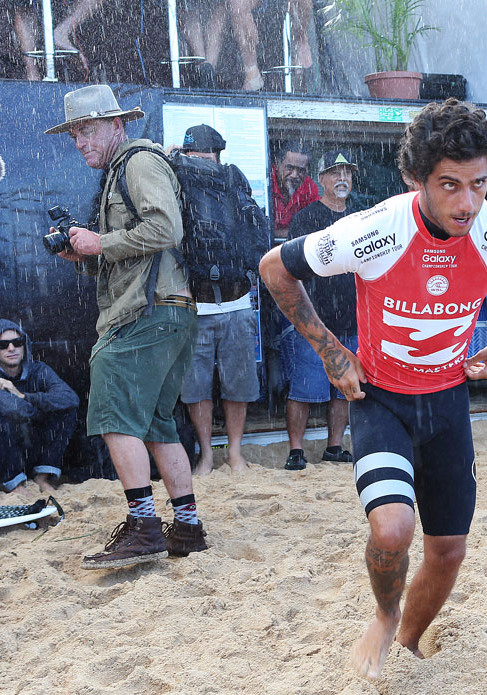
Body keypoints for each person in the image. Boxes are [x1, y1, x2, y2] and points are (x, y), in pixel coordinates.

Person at [258, 98, 487, 679]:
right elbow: (274, 267)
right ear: (417, 178)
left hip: (448, 404)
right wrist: (331, 351)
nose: (466, 203)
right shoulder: (375, 231)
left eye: (478, 184)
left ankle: (408, 642)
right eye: (449, 185)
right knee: (392, 529)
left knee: (449, 550)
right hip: (382, 401)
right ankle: (385, 616)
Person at [46, 85, 207, 569]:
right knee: (157, 424)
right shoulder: (123, 170)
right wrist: (87, 253)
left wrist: (100, 243)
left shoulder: (137, 162)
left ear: (117, 125)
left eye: (88, 130)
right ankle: (187, 527)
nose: (80, 142)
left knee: (115, 412)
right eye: (75, 134)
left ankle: (143, 526)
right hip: (167, 309)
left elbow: (165, 230)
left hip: (147, 312)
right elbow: (135, 249)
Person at [173, 125, 262, 476]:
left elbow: (253, 229)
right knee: (195, 387)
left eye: (206, 154)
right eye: (194, 155)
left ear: (218, 154)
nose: (201, 162)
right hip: (195, 305)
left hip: (237, 300)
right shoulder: (174, 178)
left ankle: (235, 453)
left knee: (237, 383)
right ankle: (207, 455)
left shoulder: (232, 180)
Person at [280, 149, 359, 471]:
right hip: (313, 321)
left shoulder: (360, 218)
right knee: (303, 390)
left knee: (343, 387)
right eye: (335, 173)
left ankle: (334, 447)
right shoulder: (305, 219)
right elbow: (291, 271)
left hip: (352, 320)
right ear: (321, 180)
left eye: (347, 173)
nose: (342, 179)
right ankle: (295, 450)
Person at [0, 320, 79, 495]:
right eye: (2, 345)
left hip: (31, 448)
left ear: (25, 344)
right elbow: (11, 409)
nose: (11, 348)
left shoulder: (39, 369)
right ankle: (14, 483)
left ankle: (42, 477)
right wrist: (40, 409)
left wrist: (24, 396)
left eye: (17, 342)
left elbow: (71, 398)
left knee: (66, 411)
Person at [271, 142, 318, 234]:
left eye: (301, 170)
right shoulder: (265, 182)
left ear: (307, 171)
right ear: (277, 163)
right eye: (289, 168)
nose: (294, 175)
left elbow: (317, 226)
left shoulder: (308, 186)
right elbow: (259, 232)